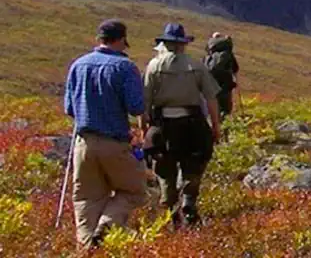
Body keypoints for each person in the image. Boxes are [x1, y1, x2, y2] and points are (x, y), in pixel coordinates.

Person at [63, 19, 148, 249]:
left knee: (86, 199)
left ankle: (87, 248)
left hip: (83, 144)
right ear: (120, 40)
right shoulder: (124, 67)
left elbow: (69, 108)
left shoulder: (77, 65)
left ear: (99, 39)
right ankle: (108, 224)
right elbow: (136, 107)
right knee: (135, 191)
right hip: (114, 142)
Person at [142, 23, 221, 228]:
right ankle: (188, 201)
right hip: (193, 124)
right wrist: (215, 126)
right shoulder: (197, 66)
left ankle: (169, 208)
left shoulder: (153, 67)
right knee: (194, 165)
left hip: (163, 126)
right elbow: (211, 98)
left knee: (164, 169)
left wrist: (144, 130)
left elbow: (145, 102)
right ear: (183, 44)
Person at [204, 32, 240, 119]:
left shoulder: (210, 54)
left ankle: (213, 126)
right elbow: (235, 69)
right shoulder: (227, 53)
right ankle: (224, 128)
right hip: (225, 87)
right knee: (225, 110)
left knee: (212, 110)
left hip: (211, 86)